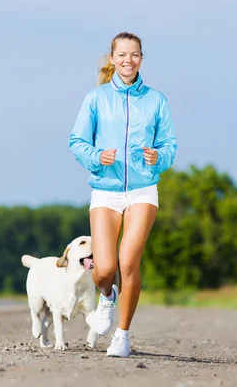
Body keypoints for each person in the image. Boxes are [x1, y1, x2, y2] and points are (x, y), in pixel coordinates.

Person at [68, 32, 178, 358]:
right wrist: (95, 157)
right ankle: (106, 296)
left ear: (141, 59)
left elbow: (169, 145)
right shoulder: (96, 98)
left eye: (135, 55)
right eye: (122, 55)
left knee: (128, 262)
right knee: (104, 269)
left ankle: (123, 335)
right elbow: (77, 141)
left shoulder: (156, 101)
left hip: (143, 189)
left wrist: (159, 157)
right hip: (105, 190)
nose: (128, 60)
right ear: (112, 59)